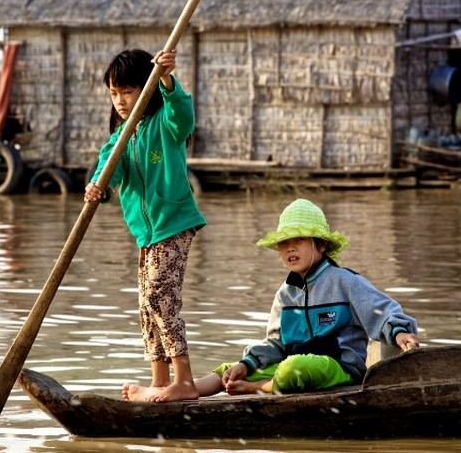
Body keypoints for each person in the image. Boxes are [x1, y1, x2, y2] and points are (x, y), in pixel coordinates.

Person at [194, 198, 420, 397]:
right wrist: (246, 364)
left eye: (299, 240)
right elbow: (275, 343)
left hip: (338, 368)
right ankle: (186, 390)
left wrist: (399, 332)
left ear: (320, 245)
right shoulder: (285, 294)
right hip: (290, 367)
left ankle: (257, 388)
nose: (290, 248)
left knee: (296, 367)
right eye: (284, 243)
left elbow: (381, 310)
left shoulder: (345, 281)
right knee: (231, 370)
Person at [84, 48, 206, 402]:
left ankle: (184, 380)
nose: (120, 101)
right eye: (114, 94)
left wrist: (166, 80)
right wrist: (97, 187)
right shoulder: (121, 136)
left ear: (146, 89)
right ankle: (159, 379)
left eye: (127, 91)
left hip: (174, 223)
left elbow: (183, 117)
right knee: (146, 306)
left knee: (160, 296)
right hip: (147, 234)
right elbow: (110, 170)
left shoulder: (164, 126)